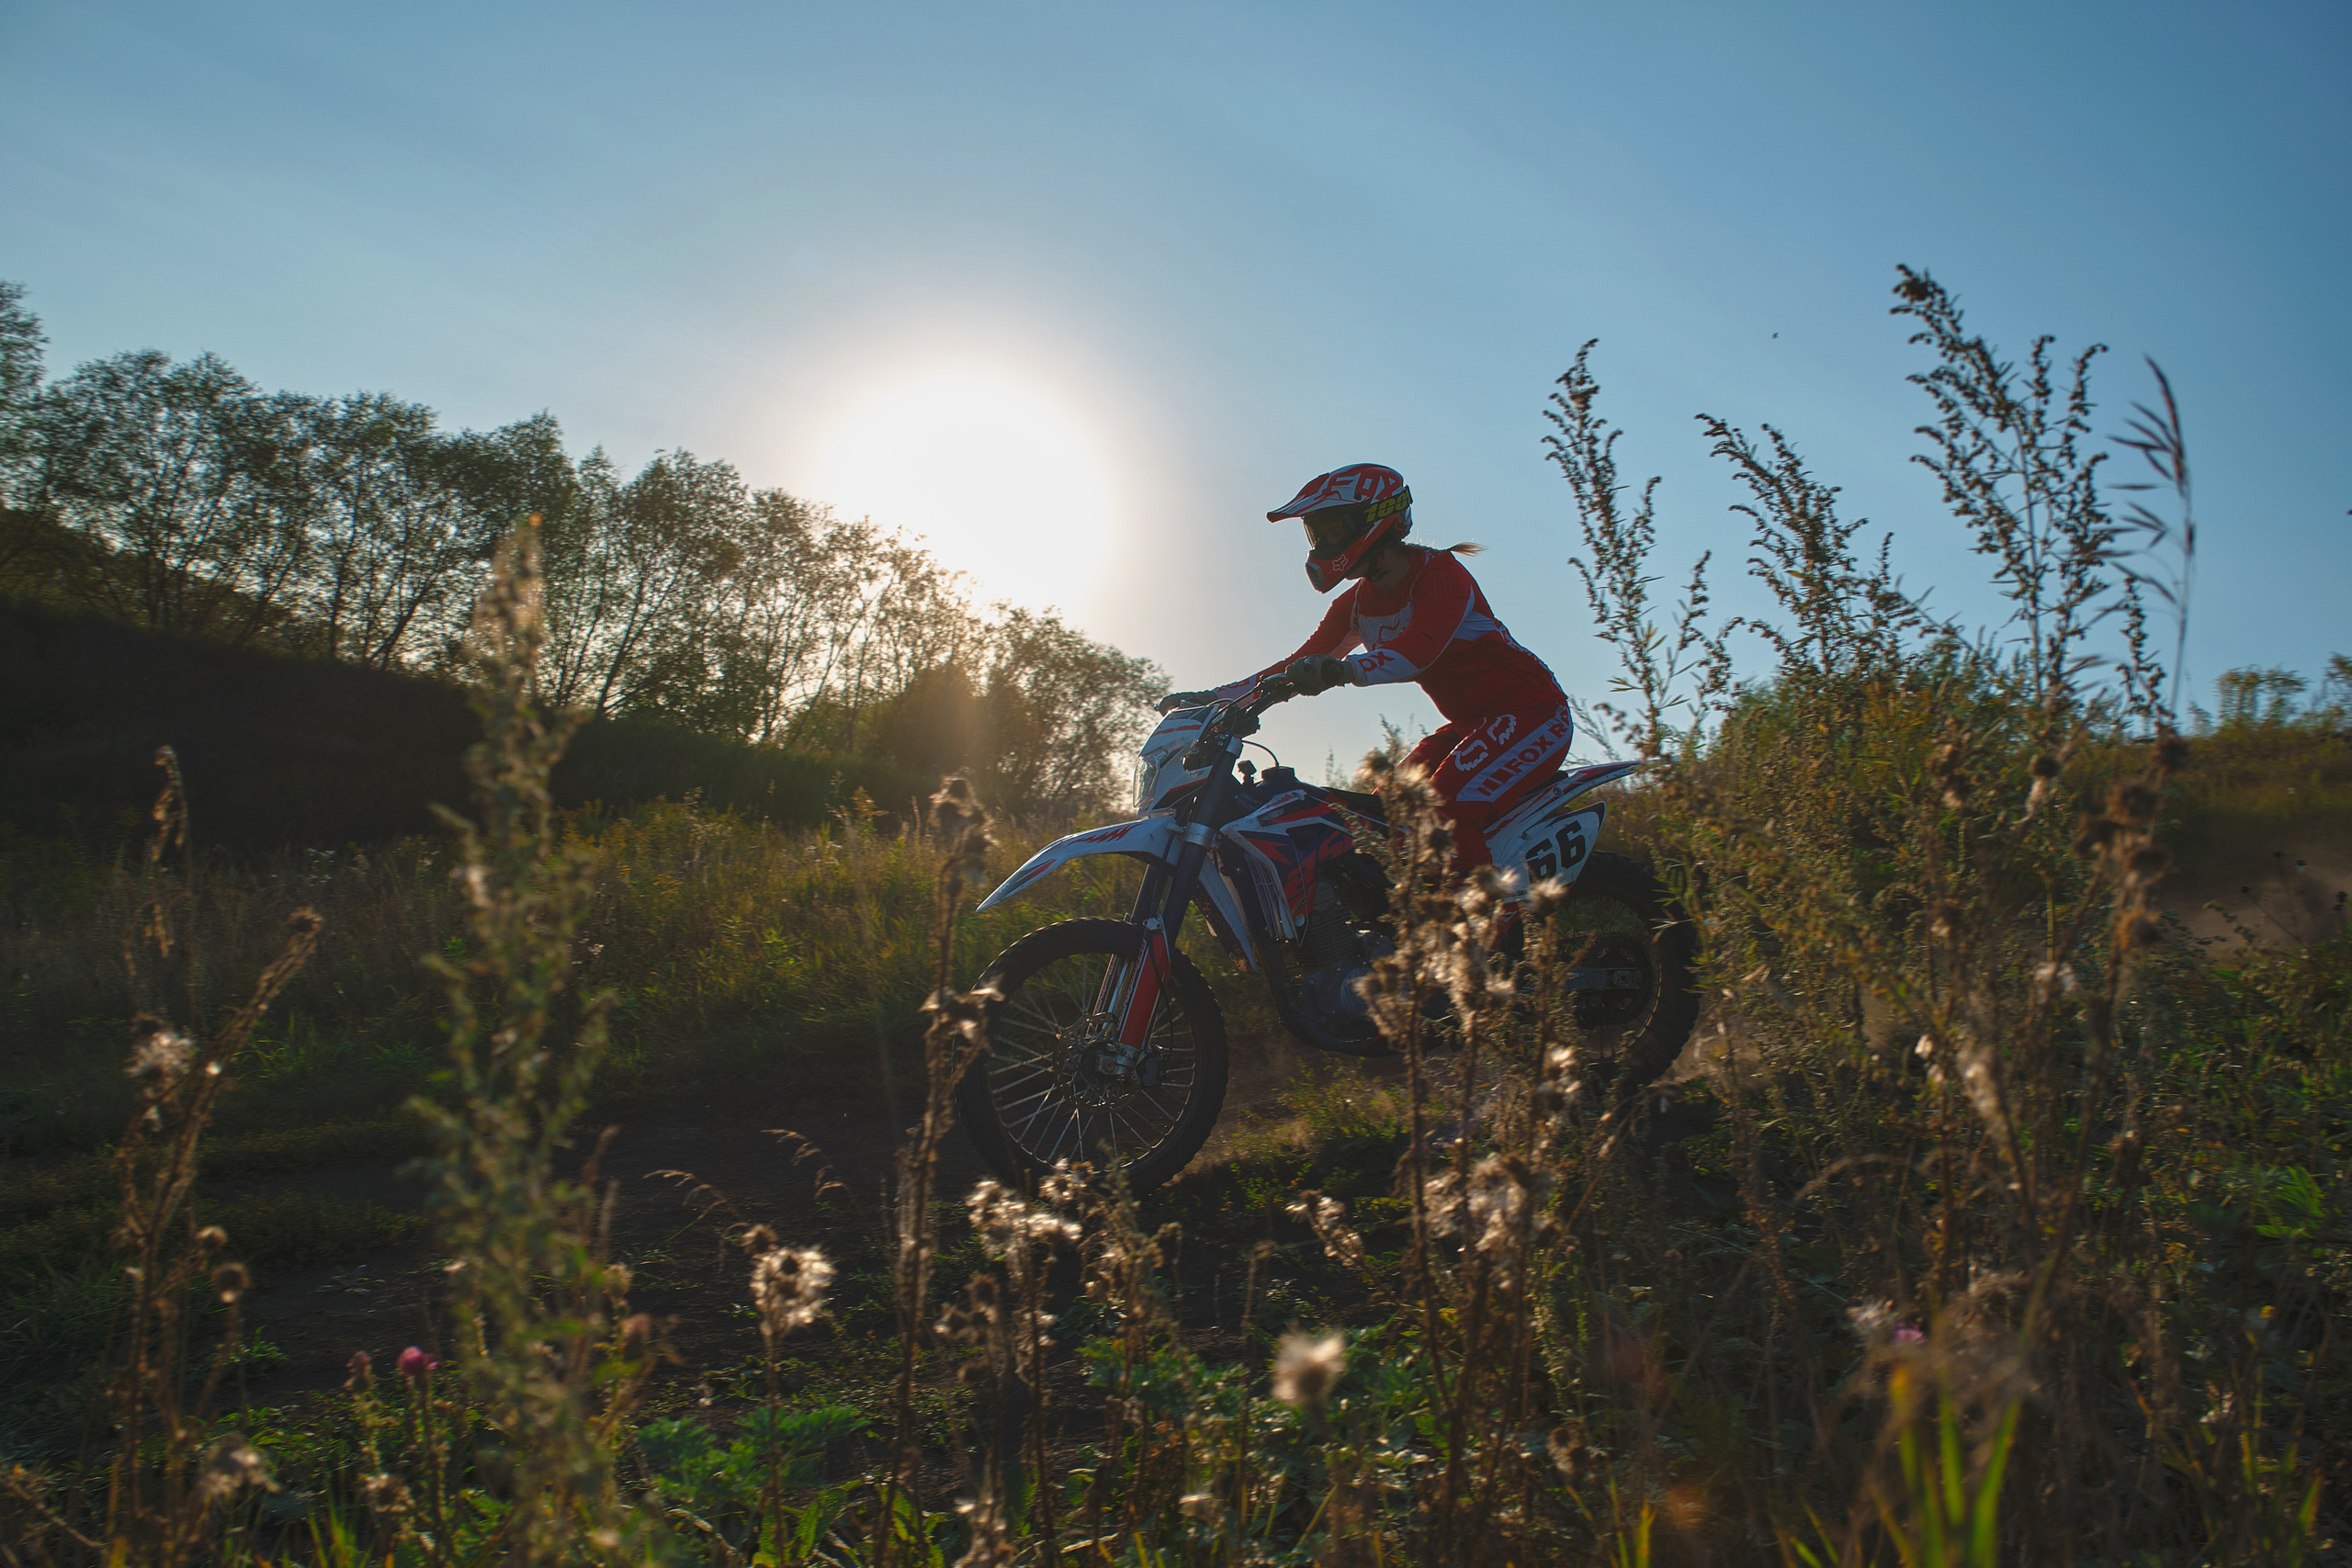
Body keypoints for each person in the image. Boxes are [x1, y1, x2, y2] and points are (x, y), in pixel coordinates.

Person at [1161, 463, 1574, 877]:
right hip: (1470, 726)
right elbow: (1294, 665)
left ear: (1377, 522)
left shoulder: (1441, 574)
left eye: (1331, 530)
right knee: (1382, 817)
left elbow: (1420, 650)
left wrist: (1341, 671)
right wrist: (1214, 699)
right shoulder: (1354, 604)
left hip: (1533, 714)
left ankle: (1482, 929)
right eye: (1314, 533)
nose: (1320, 544)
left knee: (1444, 811)